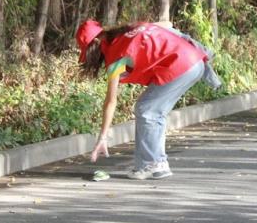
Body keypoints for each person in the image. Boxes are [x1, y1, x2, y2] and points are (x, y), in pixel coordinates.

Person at [77, 20, 218, 180]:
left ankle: (154, 163)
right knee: (152, 110)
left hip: (182, 66)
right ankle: (155, 163)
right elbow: (167, 23)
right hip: (195, 60)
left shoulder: (116, 57)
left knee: (147, 110)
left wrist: (103, 137)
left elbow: (111, 101)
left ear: (95, 43)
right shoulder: (131, 27)